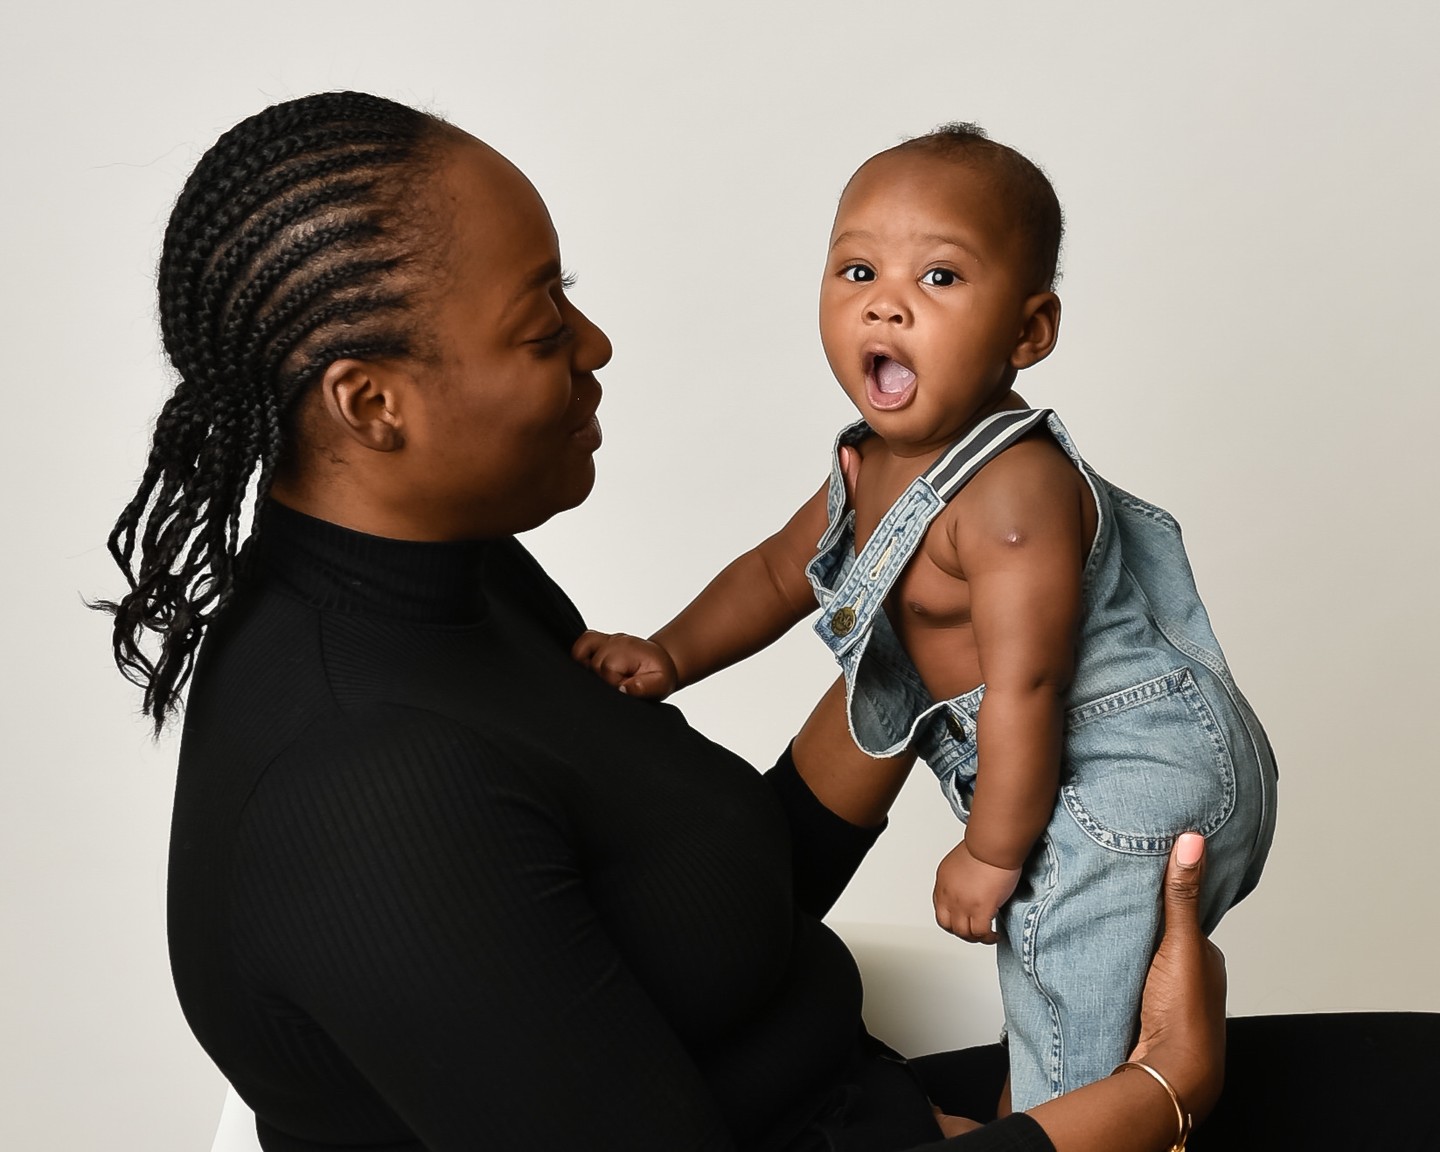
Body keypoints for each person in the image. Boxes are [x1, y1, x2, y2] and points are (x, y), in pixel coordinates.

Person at [100, 91, 1229, 1152]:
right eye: (541, 327)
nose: (594, 343)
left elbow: (701, 912)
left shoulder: (459, 580)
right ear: (372, 403)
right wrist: (1160, 1094)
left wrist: (926, 645)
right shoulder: (360, 787)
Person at [573, 125, 1279, 1110]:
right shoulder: (869, 463)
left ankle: (1055, 1112)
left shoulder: (1011, 493)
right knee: (1076, 1004)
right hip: (1049, 758)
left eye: (939, 277)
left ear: (1029, 333)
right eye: (857, 270)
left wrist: (991, 852)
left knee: (1061, 994)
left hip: (1122, 771)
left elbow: (1029, 684)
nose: (886, 302)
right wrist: (669, 654)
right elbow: (777, 571)